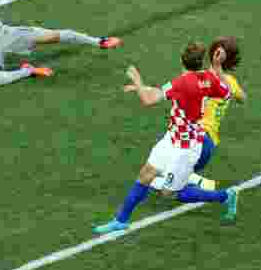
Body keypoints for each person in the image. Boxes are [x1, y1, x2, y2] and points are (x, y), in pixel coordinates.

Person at [93, 42, 239, 234]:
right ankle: (121, 220)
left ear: (182, 61)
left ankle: (225, 196)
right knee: (145, 175)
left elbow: (148, 100)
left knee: (170, 193)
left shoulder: (180, 83)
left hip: (186, 148)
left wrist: (137, 81)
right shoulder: (208, 79)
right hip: (174, 139)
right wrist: (218, 67)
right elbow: (228, 93)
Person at [189, 37, 247, 190]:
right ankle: (212, 189)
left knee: (166, 179)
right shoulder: (230, 82)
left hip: (196, 138)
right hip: (209, 142)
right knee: (173, 182)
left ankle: (220, 193)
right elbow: (242, 98)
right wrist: (218, 68)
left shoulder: (201, 78)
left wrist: (216, 66)